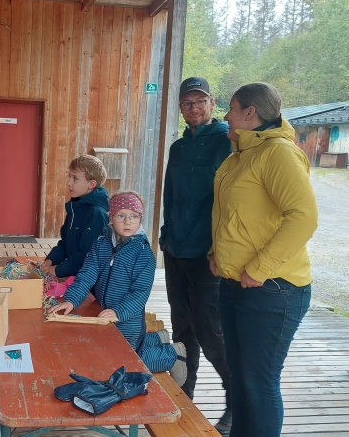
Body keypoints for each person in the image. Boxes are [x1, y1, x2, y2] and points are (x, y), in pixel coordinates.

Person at [211, 82, 317, 437]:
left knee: (259, 382)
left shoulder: (278, 154)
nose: (225, 115)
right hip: (236, 283)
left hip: (274, 288)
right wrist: (217, 254)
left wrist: (258, 267)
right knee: (240, 379)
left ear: (250, 114)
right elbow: (233, 214)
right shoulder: (241, 154)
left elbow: (302, 217)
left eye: (231, 107)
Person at [49, 192, 187, 386]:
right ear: (111, 218)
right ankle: (156, 338)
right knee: (110, 349)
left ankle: (173, 355)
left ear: (140, 219)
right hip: (105, 312)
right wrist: (72, 299)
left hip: (128, 320)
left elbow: (140, 294)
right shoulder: (100, 244)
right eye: (121, 215)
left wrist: (118, 311)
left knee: (125, 362)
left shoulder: (143, 254)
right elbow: (87, 274)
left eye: (134, 216)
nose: (127, 222)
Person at [159, 76, 232, 432]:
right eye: (187, 103)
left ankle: (235, 400)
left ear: (212, 103)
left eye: (199, 101)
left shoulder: (225, 142)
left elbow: (232, 201)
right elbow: (169, 195)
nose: (194, 108)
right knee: (181, 325)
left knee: (210, 329)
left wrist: (222, 248)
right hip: (175, 249)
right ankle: (184, 389)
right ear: (181, 108)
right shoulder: (178, 147)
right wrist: (164, 235)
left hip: (207, 254)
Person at [41, 154, 109, 279]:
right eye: (69, 177)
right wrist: (51, 259)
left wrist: (58, 270)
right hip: (75, 276)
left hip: (90, 283)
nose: (69, 183)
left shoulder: (96, 214)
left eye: (75, 178)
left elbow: (86, 255)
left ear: (91, 184)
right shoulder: (75, 208)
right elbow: (65, 243)